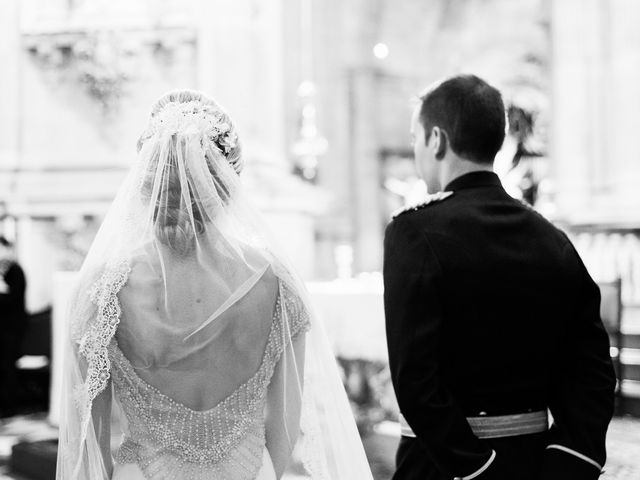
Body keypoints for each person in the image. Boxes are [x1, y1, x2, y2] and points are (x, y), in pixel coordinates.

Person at [56, 90, 373, 480]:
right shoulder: (275, 281)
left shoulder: (100, 288)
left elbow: (88, 436)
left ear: (145, 181)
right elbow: (287, 421)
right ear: (226, 183)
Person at [383, 74, 616, 480]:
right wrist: (569, 460)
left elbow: (415, 381)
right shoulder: (551, 238)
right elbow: (592, 371)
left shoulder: (414, 233)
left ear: (437, 140)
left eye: (416, 138)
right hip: (534, 463)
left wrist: (478, 470)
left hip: (442, 467)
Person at [0, 236, 27, 417]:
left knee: (7, 366)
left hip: (10, 329)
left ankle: (8, 407)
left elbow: (13, 300)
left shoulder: (15, 271)